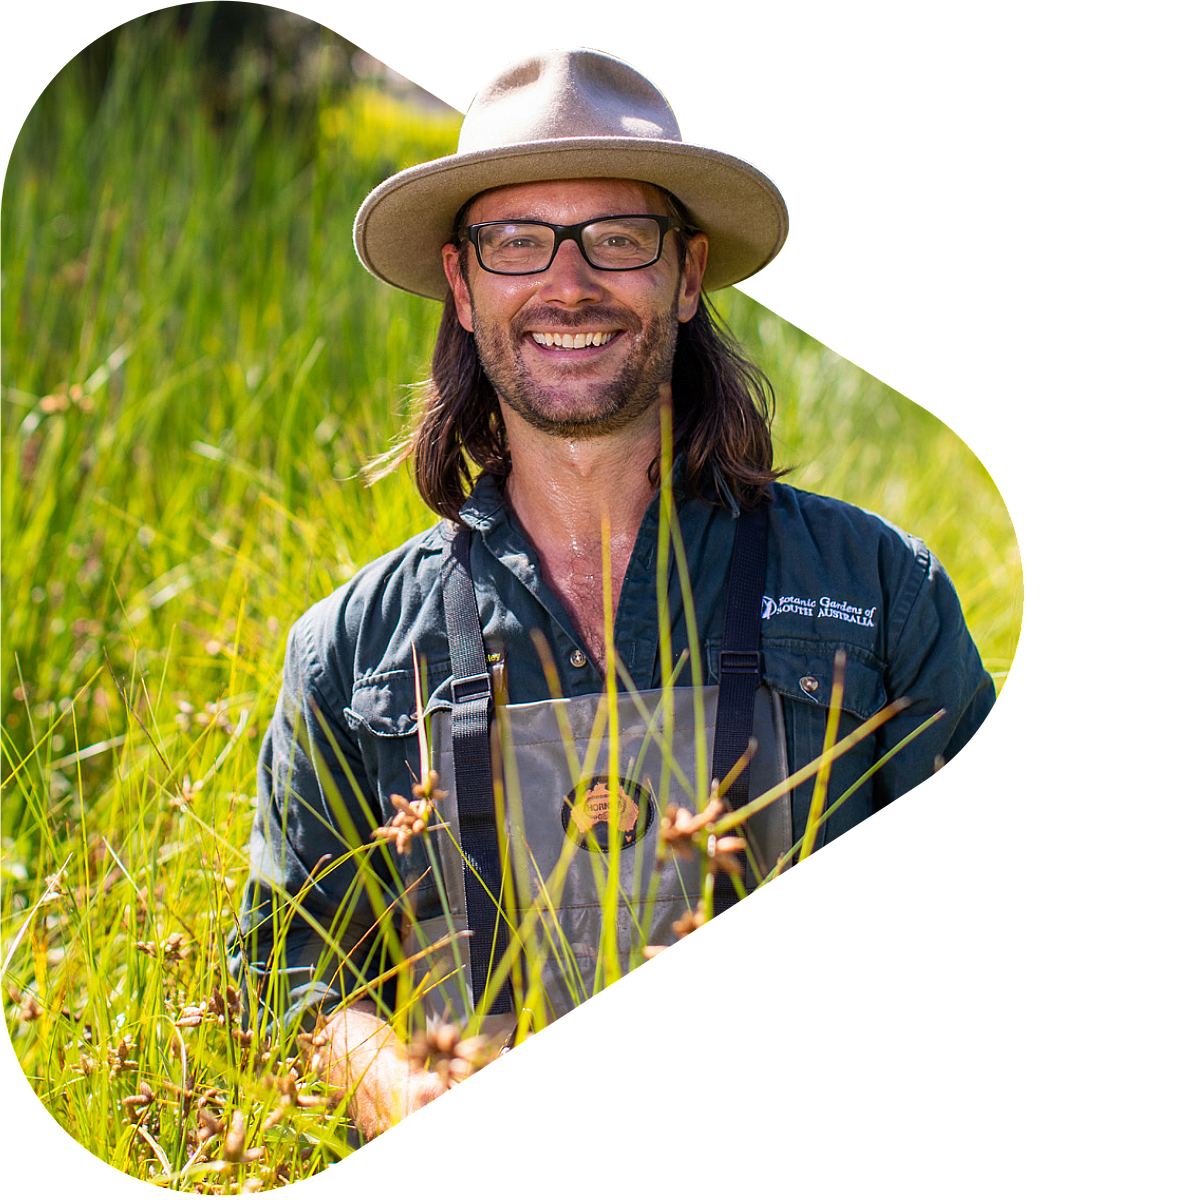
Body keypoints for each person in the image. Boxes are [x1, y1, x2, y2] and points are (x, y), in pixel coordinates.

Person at [230, 47, 995, 1139]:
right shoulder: (349, 651)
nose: (568, 283)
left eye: (619, 238)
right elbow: (290, 972)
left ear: (686, 274)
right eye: (516, 240)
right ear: (463, 284)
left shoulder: (880, 591)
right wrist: (397, 1087)